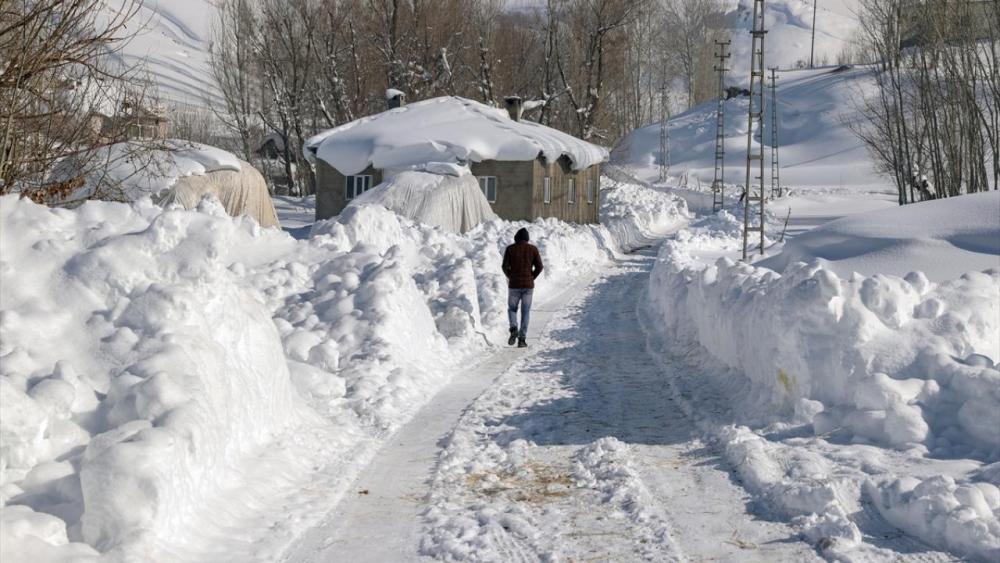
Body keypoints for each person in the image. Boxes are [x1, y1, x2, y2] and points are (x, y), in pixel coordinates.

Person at [502, 227, 543, 348]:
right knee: (525, 312)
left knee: (512, 309)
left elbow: (504, 266)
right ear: (527, 239)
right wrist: (532, 277)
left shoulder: (510, 249)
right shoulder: (533, 249)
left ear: (516, 238)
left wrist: (511, 276)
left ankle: (513, 327)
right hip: (528, 286)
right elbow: (540, 266)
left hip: (514, 285)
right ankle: (522, 339)